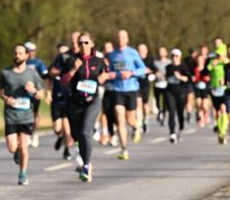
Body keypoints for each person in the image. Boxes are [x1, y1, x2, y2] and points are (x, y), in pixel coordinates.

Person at [0, 44, 45, 185]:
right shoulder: (6, 73)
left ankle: (22, 174)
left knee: (24, 145)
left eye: (20, 53)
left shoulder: (32, 74)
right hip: (11, 115)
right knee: (12, 147)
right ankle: (16, 151)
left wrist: (33, 91)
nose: (17, 56)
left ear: (26, 56)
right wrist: (7, 99)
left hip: (26, 116)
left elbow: (41, 94)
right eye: (15, 53)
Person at [65, 32, 109, 182]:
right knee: (77, 135)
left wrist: (102, 78)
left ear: (91, 44)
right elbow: (64, 81)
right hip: (75, 102)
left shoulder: (98, 60)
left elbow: (106, 73)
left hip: (93, 101)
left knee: (85, 132)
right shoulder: (72, 60)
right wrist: (73, 70)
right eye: (80, 43)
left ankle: (87, 165)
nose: (83, 45)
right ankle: (85, 161)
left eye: (85, 42)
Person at [105, 29, 147, 160]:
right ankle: (124, 149)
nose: (120, 40)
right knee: (119, 117)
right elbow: (110, 71)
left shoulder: (133, 53)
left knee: (130, 119)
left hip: (131, 89)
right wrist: (113, 75)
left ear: (127, 39)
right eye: (118, 37)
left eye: (122, 38)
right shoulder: (112, 55)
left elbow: (143, 69)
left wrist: (131, 73)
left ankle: (136, 126)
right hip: (117, 90)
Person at [48, 42, 77, 163]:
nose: (63, 55)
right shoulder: (55, 66)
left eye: (65, 52)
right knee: (57, 127)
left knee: (67, 127)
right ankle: (59, 136)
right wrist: (48, 93)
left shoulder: (72, 66)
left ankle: (67, 149)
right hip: (56, 99)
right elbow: (49, 79)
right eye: (61, 52)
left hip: (67, 99)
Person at [163, 48, 192, 142]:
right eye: (172, 56)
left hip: (181, 92)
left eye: (176, 56)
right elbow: (166, 77)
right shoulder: (168, 67)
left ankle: (180, 129)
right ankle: (172, 133)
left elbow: (188, 79)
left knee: (180, 113)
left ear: (180, 57)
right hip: (170, 91)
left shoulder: (184, 66)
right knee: (171, 112)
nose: (174, 58)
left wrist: (180, 77)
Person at [24, 41, 48, 148]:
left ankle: (34, 133)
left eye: (32, 51)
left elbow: (45, 75)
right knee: (24, 114)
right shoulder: (21, 62)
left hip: (35, 92)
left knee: (34, 114)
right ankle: (27, 134)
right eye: (28, 51)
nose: (30, 53)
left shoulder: (39, 63)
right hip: (24, 93)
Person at [207, 39, 230, 144]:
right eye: (218, 54)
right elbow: (207, 68)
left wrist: (225, 81)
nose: (219, 56)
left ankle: (222, 132)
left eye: (221, 54)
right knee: (217, 112)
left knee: (223, 109)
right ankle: (220, 129)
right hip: (215, 89)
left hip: (225, 89)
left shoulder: (227, 62)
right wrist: (213, 65)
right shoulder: (213, 61)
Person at [192, 47, 212, 127]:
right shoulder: (195, 69)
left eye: (201, 59)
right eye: (198, 59)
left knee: (204, 105)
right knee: (198, 103)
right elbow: (192, 77)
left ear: (203, 60)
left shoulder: (207, 69)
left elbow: (209, 77)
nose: (200, 61)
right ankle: (201, 118)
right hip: (197, 88)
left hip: (205, 88)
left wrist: (208, 78)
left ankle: (206, 113)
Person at [152, 46, 171, 125]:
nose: (161, 53)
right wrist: (156, 74)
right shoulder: (155, 62)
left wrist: (165, 75)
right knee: (157, 100)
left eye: (163, 51)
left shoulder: (169, 62)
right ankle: (159, 111)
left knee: (165, 101)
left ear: (166, 53)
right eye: (160, 51)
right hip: (157, 84)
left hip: (166, 84)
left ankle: (163, 114)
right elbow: (152, 71)